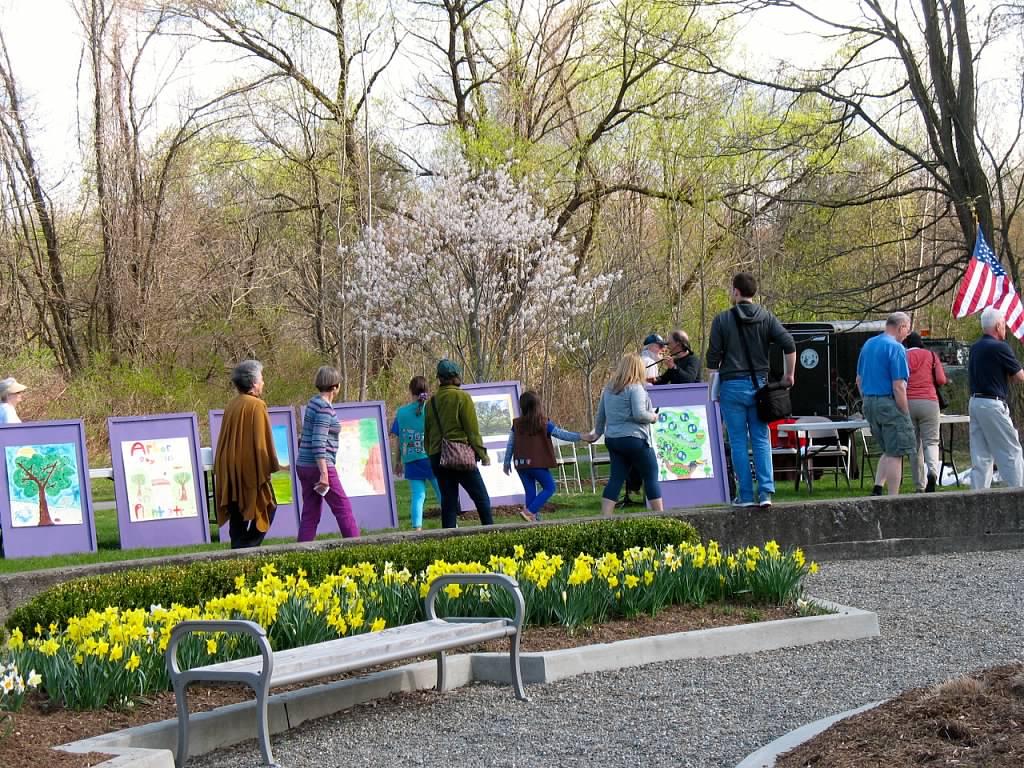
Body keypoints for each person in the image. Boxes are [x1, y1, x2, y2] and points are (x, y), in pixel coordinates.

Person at [706, 272, 796, 508]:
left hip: (732, 386)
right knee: (761, 439)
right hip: (760, 388)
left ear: (736, 292)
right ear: (753, 293)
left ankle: (745, 496)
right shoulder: (766, 317)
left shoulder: (722, 320)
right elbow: (789, 344)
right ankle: (765, 492)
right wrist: (789, 375)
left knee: (737, 441)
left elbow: (712, 360)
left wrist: (712, 390)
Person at [212, 360, 282, 549]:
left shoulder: (232, 404)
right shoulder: (257, 405)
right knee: (269, 506)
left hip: (230, 470)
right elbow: (261, 443)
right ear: (253, 383)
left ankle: (237, 553)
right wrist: (268, 467)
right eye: (261, 379)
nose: (263, 383)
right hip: (249, 470)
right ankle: (247, 549)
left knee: (238, 514)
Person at [502, 390, 593, 522]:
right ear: (538, 406)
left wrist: (506, 463)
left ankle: (534, 521)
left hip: (520, 464)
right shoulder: (543, 422)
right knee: (550, 487)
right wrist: (581, 436)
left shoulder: (517, 424)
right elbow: (561, 434)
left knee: (530, 492)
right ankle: (530, 512)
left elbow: (510, 444)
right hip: (537, 464)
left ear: (522, 407)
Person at [423, 359, 493, 528]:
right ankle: (492, 533)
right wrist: (482, 455)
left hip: (437, 456)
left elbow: (427, 435)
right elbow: (472, 430)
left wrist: (433, 454)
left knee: (449, 501)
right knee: (481, 497)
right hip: (458, 455)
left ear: (439, 378)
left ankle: (448, 541)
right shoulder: (462, 397)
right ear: (455, 376)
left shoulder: (430, 403)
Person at [593, 353, 664, 515]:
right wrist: (653, 417)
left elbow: (600, 415)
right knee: (650, 475)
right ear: (638, 369)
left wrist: (597, 433)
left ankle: (604, 519)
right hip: (634, 439)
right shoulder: (636, 387)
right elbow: (639, 414)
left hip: (613, 440)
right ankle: (661, 516)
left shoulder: (609, 389)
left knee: (616, 479)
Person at [296, 366, 361, 542]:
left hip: (304, 465)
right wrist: (324, 473)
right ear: (335, 386)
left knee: (310, 512)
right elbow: (318, 441)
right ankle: (359, 549)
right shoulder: (325, 408)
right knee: (343, 508)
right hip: (319, 466)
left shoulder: (313, 402)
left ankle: (301, 553)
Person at [856, 312, 915, 496]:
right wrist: (905, 413)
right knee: (896, 453)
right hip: (888, 403)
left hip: (869, 403)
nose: (908, 334)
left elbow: (858, 380)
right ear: (901, 327)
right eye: (908, 329)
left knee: (888, 450)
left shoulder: (869, 344)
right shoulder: (896, 348)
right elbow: (898, 386)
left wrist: (867, 400)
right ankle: (893, 498)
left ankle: (878, 489)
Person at [967, 307, 1024, 489]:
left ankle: (978, 496)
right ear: (998, 325)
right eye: (1004, 325)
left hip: (975, 402)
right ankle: (1017, 492)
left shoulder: (975, 348)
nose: (1005, 329)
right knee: (1010, 450)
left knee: (981, 454)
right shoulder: (1000, 347)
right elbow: (1019, 375)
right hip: (992, 403)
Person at [390, 376, 441, 530]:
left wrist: (398, 461)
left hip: (411, 459)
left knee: (418, 496)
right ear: (427, 391)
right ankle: (452, 525)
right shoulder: (432, 409)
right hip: (431, 457)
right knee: (442, 493)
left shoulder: (401, 413)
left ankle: (417, 528)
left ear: (410, 390)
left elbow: (399, 439)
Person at [903, 331, 947, 492]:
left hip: (907, 403)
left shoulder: (902, 356)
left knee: (914, 446)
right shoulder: (931, 356)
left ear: (906, 343)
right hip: (929, 402)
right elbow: (941, 380)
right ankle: (933, 472)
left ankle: (919, 485)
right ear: (921, 342)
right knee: (931, 442)